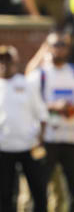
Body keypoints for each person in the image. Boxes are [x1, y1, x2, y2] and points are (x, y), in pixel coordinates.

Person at [25, 31, 74, 212]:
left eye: (63, 45)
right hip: (47, 138)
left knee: (73, 189)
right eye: (55, 45)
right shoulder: (40, 75)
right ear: (47, 47)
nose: (59, 49)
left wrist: (71, 108)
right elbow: (30, 104)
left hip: (71, 137)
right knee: (40, 188)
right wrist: (53, 106)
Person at [0, 45, 48, 212]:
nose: (4, 65)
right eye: (1, 61)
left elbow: (42, 115)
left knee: (39, 190)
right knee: (5, 193)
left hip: (29, 146)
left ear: (15, 62)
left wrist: (40, 140)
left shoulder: (26, 84)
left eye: (8, 60)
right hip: (4, 148)